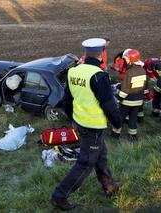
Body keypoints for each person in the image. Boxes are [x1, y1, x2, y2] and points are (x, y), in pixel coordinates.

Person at [50, 38, 122, 211]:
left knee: (100, 155)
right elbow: (108, 104)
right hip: (93, 127)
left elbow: (66, 100)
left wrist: (73, 118)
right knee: (85, 163)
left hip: (80, 123)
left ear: (85, 53)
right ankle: (59, 197)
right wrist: (117, 123)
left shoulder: (74, 71)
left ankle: (109, 185)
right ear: (101, 53)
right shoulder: (98, 75)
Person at [111, 49, 147, 141]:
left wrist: (118, 100)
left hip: (127, 101)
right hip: (138, 101)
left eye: (127, 59)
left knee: (120, 118)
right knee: (133, 119)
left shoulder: (129, 72)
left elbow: (125, 90)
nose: (125, 60)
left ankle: (115, 135)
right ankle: (132, 137)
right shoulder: (143, 70)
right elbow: (144, 86)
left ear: (131, 59)